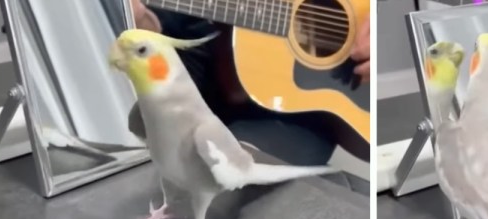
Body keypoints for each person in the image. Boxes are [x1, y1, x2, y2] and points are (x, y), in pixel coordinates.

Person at [129, 0, 371, 192]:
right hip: (210, 90)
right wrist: (143, 20)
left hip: (299, 122)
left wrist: (375, 19)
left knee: (225, 171)